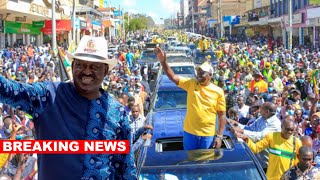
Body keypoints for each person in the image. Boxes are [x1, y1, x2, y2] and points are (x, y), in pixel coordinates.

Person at [0, 36, 136, 179]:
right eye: (81, 65)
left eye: (94, 66)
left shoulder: (117, 112)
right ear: (72, 66)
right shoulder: (47, 96)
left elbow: (126, 168)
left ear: (106, 70)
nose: (87, 71)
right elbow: (9, 90)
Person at [155, 47, 226, 150]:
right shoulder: (191, 84)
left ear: (210, 75)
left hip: (207, 134)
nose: (199, 75)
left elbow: (222, 115)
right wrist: (163, 62)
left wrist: (219, 136)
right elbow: (173, 77)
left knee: (204, 162)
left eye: (202, 73)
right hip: (190, 133)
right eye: (198, 72)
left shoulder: (218, 91)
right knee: (190, 161)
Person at [238, 118, 302, 180]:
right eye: (287, 129)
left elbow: (298, 164)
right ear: (281, 126)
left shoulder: (297, 143)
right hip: (271, 178)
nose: (289, 132)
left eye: (292, 130)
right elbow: (256, 148)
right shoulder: (271, 137)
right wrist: (246, 139)